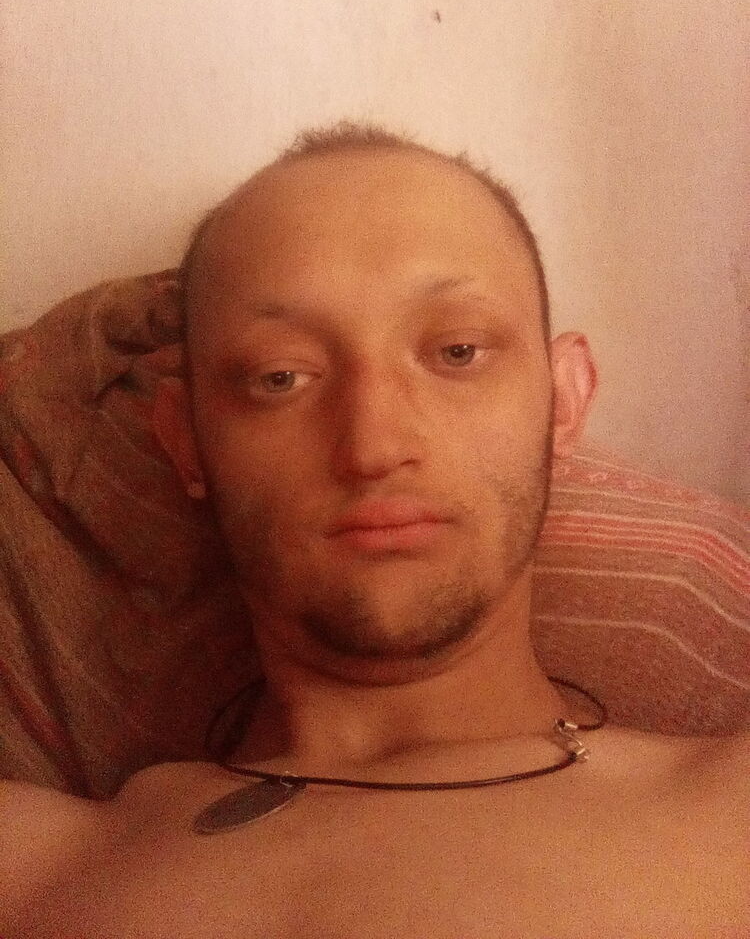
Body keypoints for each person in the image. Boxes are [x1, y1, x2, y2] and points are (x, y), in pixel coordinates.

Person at [1, 122, 747, 938]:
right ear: (186, 441)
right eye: (280, 377)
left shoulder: (729, 819)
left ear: (563, 400)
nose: (373, 446)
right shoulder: (38, 869)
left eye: (457, 352)